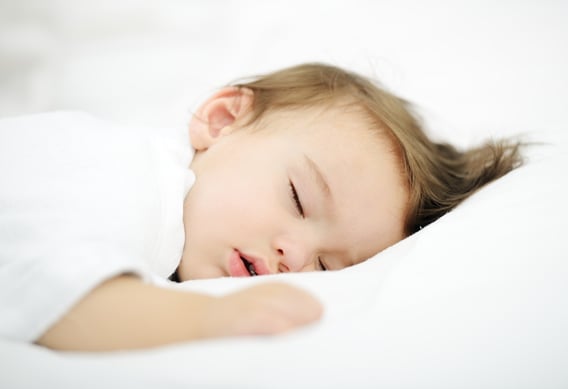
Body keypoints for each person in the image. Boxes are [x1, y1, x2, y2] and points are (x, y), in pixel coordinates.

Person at [0, 63, 522, 351]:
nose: (292, 255)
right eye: (297, 198)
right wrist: (211, 318)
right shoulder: (127, 177)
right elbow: (57, 297)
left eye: (325, 266)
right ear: (224, 120)